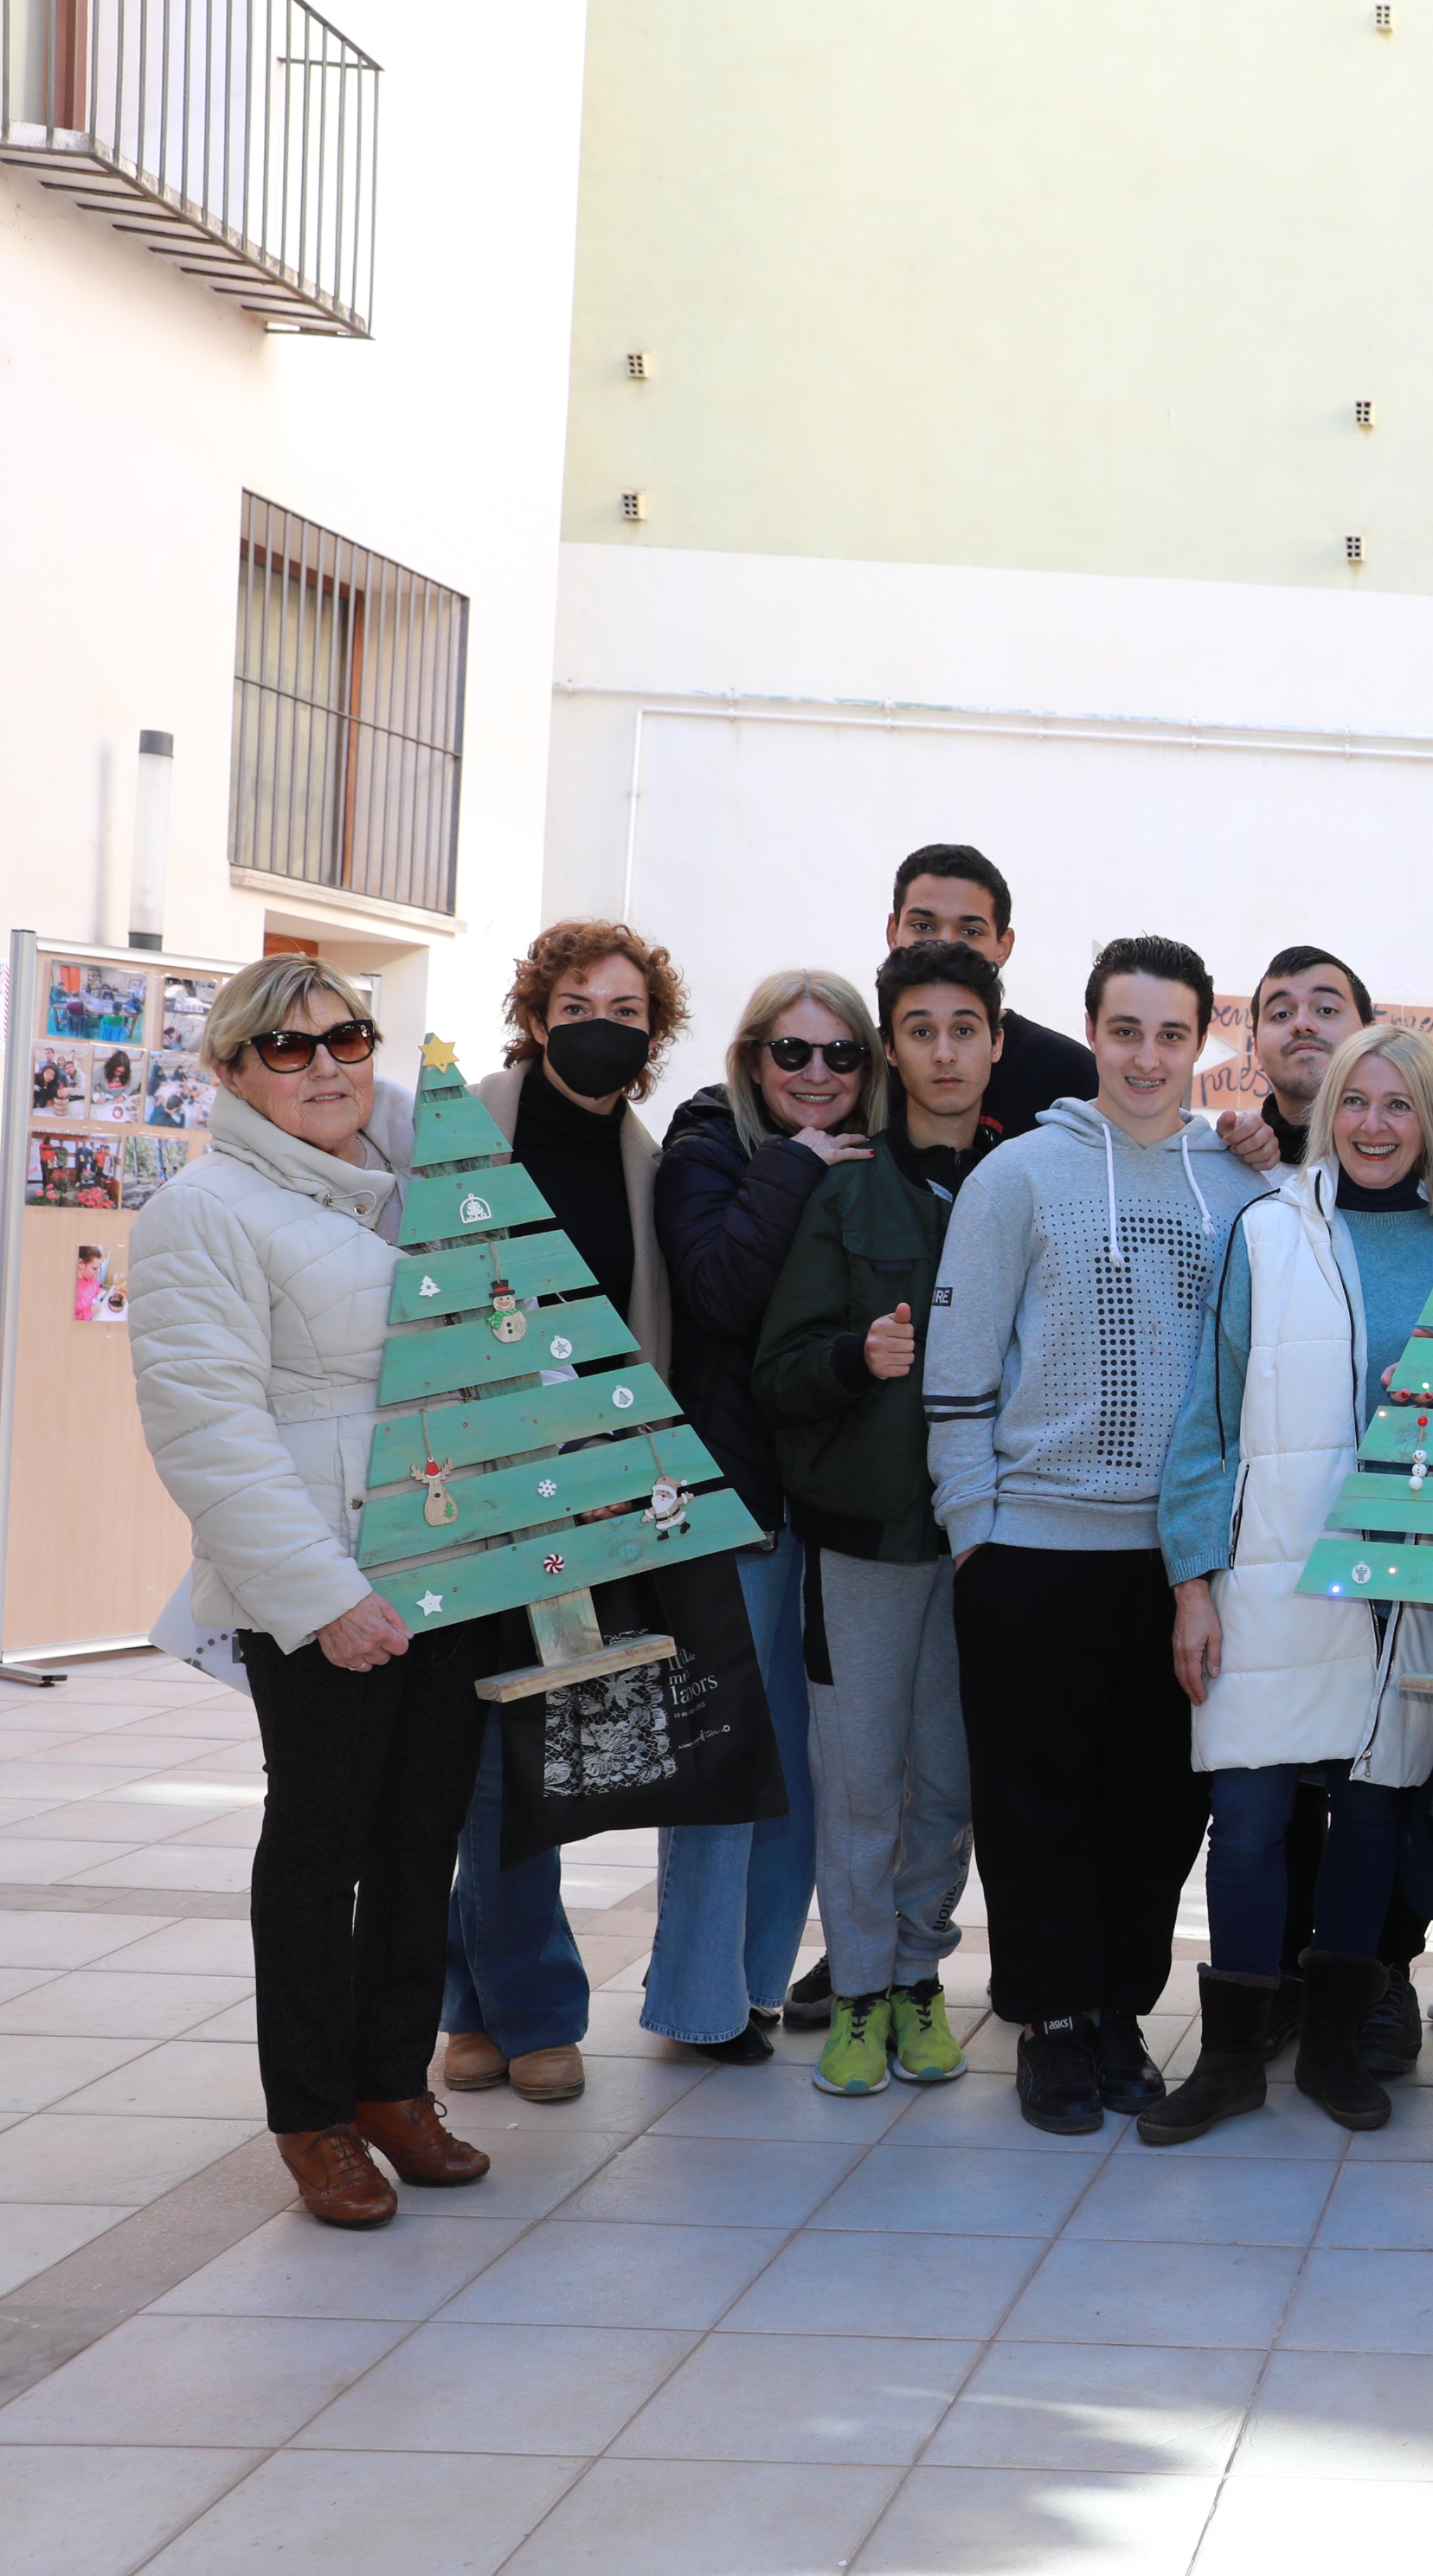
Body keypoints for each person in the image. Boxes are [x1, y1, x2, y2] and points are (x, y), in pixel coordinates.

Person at [131, 961, 498, 2225]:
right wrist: (325, 1596)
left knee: (419, 1842)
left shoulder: (397, 1184)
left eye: (346, 1036)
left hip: (442, 1565)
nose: (328, 1064)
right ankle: (313, 2119)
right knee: (321, 1846)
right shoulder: (205, 1210)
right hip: (326, 1590)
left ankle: (393, 2085)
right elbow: (209, 1434)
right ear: (230, 1071)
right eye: (287, 1050)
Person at [926, 934, 1269, 2135]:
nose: (1146, 1055)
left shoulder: (1240, 1184)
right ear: (1089, 1035)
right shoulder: (1017, 1177)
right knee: (1034, 1806)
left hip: (1180, 1564)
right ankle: (1050, 2024)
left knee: (1153, 1809)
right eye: (1124, 1030)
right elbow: (957, 1373)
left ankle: (1120, 2013)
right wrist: (976, 1531)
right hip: (1032, 1551)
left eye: (1172, 1033)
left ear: (1201, 1042)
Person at [1155, 1021, 1433, 2141]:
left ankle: (1335, 2051)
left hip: (1407, 1576)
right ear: (1327, 1109)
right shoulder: (1267, 1231)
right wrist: (1193, 1580)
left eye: (1399, 1106)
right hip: (1271, 1566)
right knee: (1244, 1812)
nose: (1375, 1126)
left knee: (1372, 1811)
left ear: (1430, 1119)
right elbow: (1207, 1410)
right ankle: (1232, 2058)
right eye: (1356, 1102)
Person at [442, 918, 688, 2113]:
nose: (605, 1026)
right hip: (465, 1477)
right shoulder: (466, 1126)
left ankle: (479, 2006)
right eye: (582, 1005)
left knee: (523, 1744)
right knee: (491, 1753)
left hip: (577, 1484)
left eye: (630, 1011)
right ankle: (529, 2007)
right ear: (537, 1017)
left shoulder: (643, 1159)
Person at [754, 941, 1005, 2097]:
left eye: (966, 1028)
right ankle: (855, 1989)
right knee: (860, 1777)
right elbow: (780, 1370)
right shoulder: (845, 1191)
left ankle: (918, 1980)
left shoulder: (1026, 1180)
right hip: (862, 1538)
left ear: (995, 1044)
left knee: (948, 1780)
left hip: (988, 1541)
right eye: (921, 1030)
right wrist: (857, 1359)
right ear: (891, 1051)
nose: (945, 1052)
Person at [644, 969, 877, 2064]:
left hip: (823, 1505)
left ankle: (755, 1985)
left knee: (798, 1761)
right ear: (751, 1059)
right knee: (722, 1762)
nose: (818, 1075)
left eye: (841, 1057)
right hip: (726, 1499)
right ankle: (699, 2002)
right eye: (794, 1053)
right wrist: (791, 1167)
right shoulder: (707, 1149)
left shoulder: (861, 1158)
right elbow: (719, 1295)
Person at [887, 844, 1098, 1135]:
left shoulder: (1069, 1073)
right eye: (923, 926)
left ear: (1003, 946)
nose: (945, 944)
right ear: (893, 932)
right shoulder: (856, 1069)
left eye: (970, 931)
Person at [1215, 945, 1376, 1174]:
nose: (1302, 1024)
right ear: (1257, 1050)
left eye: (1327, 1010)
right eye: (1281, 1014)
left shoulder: (1426, 1158)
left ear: (1370, 1037)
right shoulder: (1224, 1163)